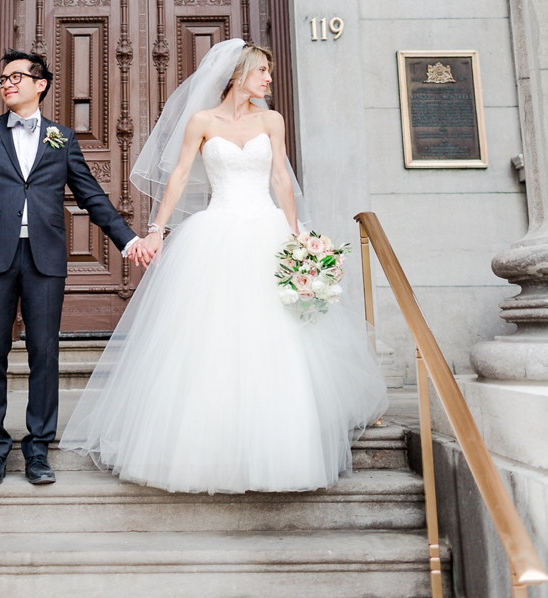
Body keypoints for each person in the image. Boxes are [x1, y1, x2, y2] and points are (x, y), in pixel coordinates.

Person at [60, 38, 388, 494]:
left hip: (266, 231)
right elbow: (178, 175)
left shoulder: (272, 120)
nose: (269, 79)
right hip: (215, 233)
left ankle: (283, 449)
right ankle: (204, 451)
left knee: (275, 335)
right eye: (262, 71)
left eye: (269, 72)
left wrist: (298, 237)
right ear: (237, 74)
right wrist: (156, 228)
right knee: (211, 338)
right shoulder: (202, 121)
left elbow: (280, 178)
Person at [0, 49, 143, 487]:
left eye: (17, 76)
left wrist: (128, 240)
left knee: (44, 353)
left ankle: (39, 449)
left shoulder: (62, 137)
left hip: (45, 259)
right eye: (2, 79)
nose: (7, 84)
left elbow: (90, 195)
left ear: (41, 84)